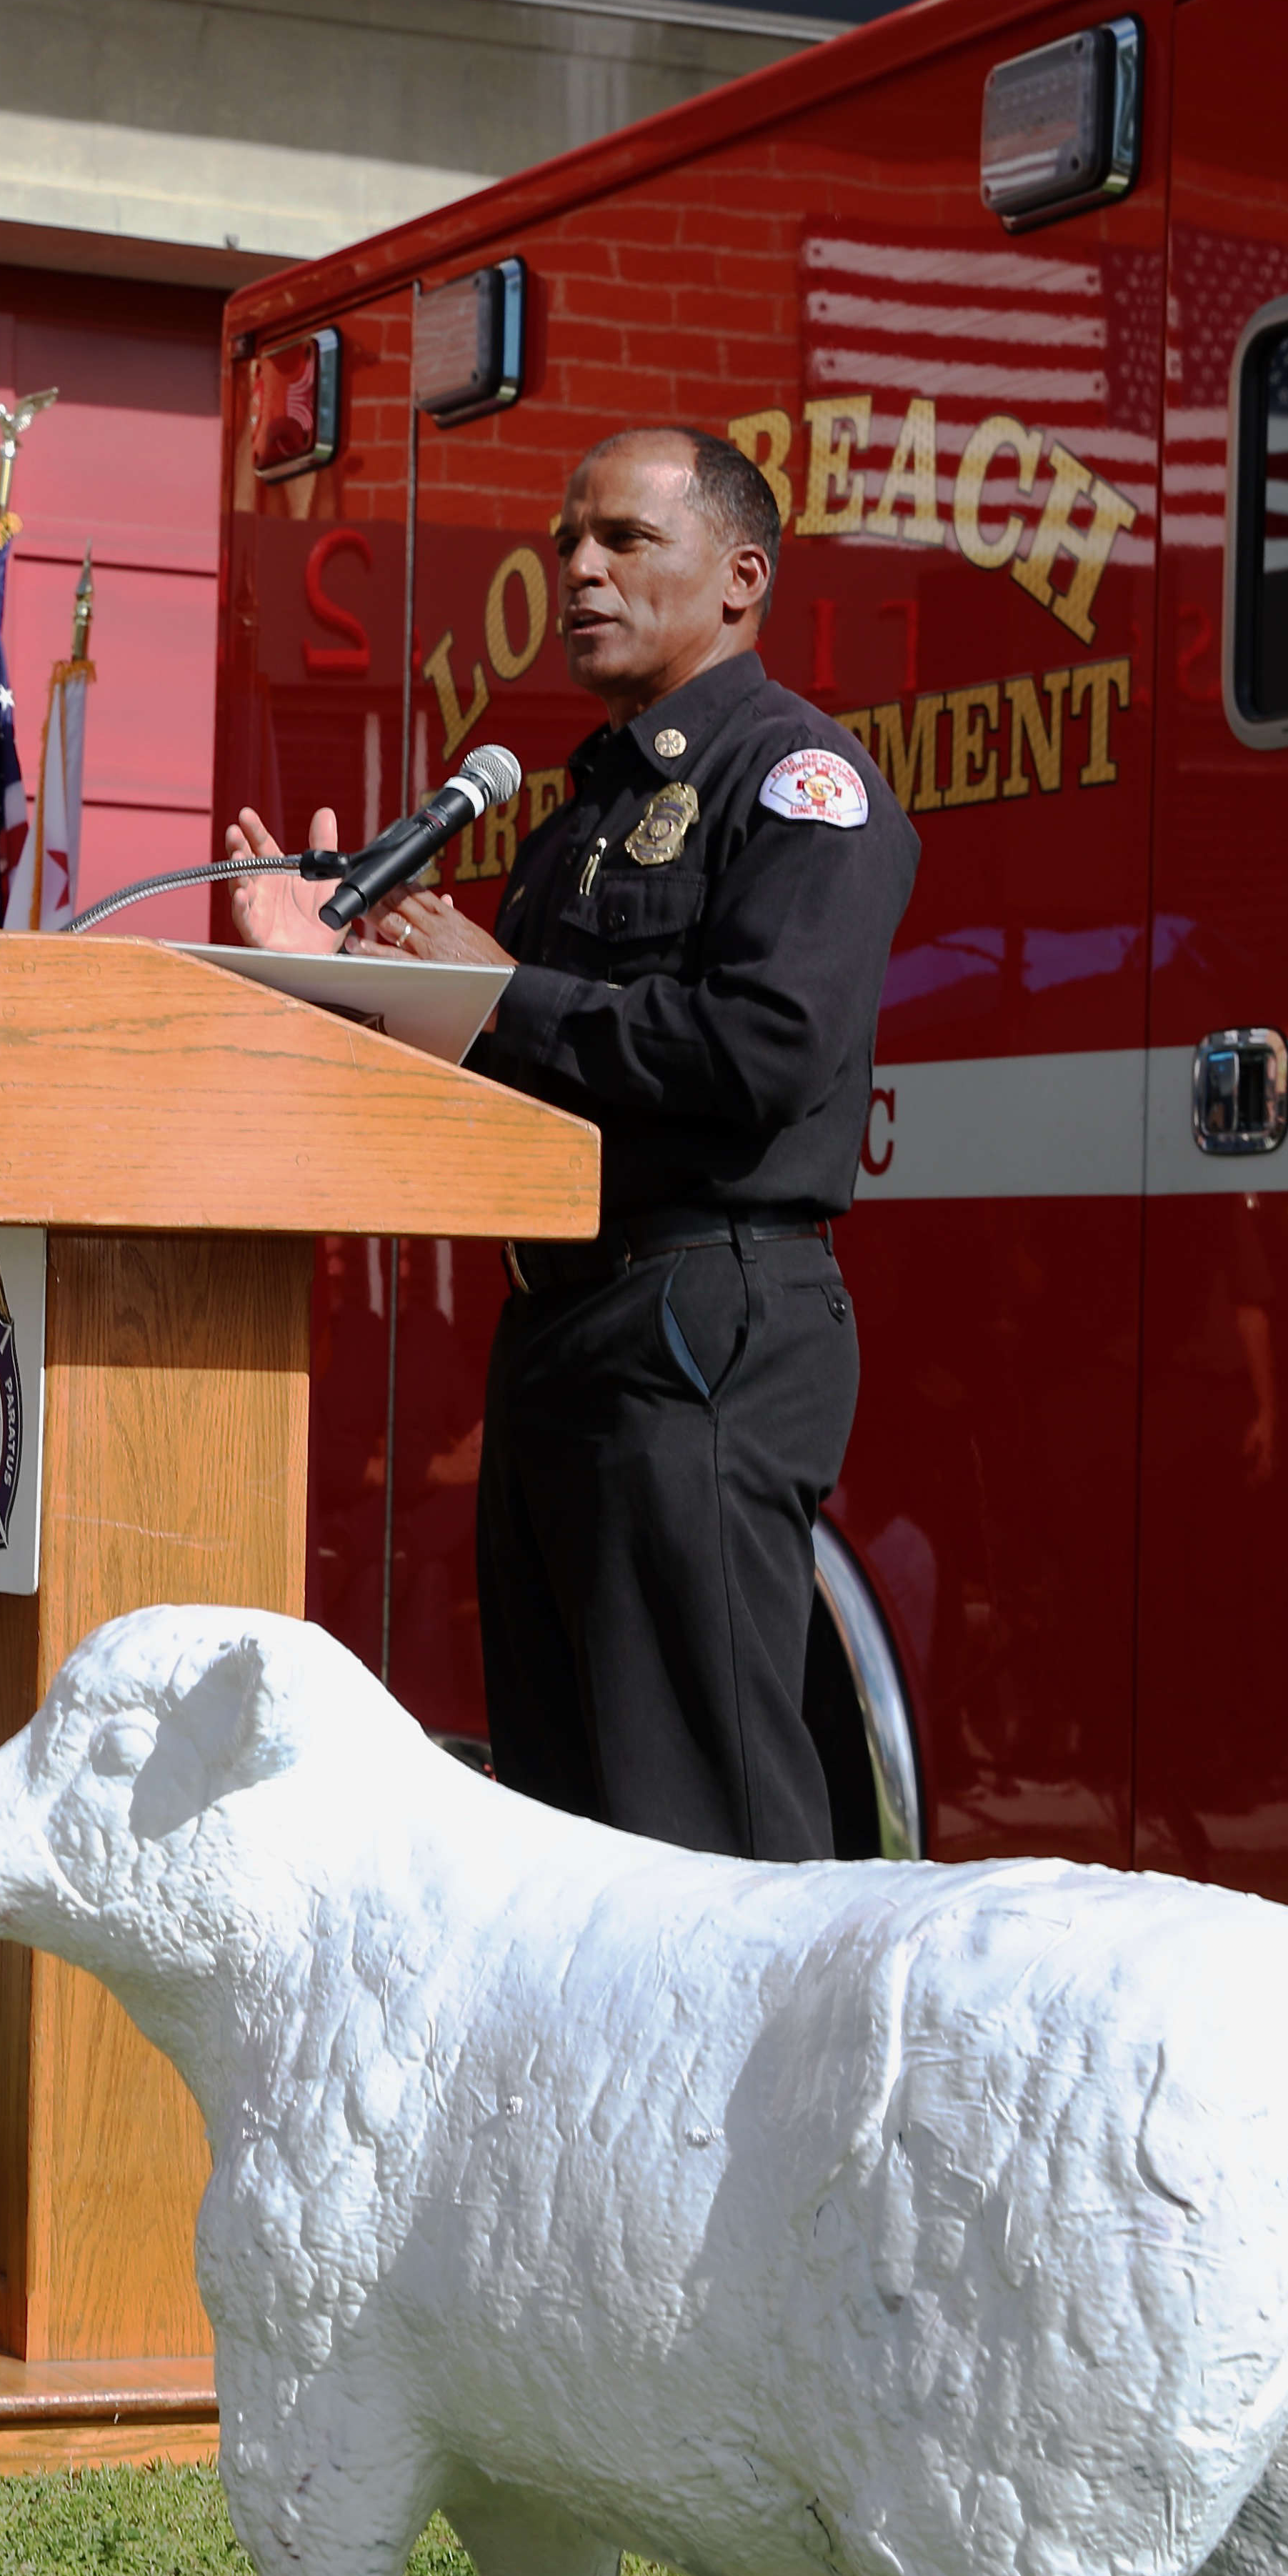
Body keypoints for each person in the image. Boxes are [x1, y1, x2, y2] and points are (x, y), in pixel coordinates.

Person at [225, 426, 916, 1861]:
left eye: (624, 540)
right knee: (569, 1817)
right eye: (566, 545)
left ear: (739, 577)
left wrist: (501, 989)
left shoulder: (796, 782)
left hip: (700, 1316)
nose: (580, 570)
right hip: (558, 1327)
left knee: (697, 1816)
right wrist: (327, 976)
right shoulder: (578, 817)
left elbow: (763, 1052)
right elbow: (503, 1078)